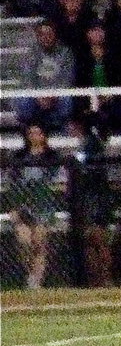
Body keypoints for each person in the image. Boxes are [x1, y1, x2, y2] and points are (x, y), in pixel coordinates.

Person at [10, 124, 64, 289]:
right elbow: (12, 183)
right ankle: (30, 274)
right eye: (31, 133)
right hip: (23, 205)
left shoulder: (52, 157)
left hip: (43, 206)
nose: (34, 136)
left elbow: (59, 182)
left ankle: (36, 281)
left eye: (38, 133)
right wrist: (14, 207)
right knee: (24, 242)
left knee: (39, 242)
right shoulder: (19, 157)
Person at [66, 110, 114, 287]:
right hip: (88, 198)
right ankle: (95, 280)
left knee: (98, 240)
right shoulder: (87, 143)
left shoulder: (91, 144)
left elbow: (84, 168)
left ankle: (105, 279)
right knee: (89, 242)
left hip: (95, 198)